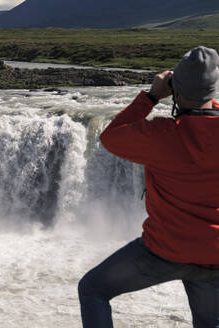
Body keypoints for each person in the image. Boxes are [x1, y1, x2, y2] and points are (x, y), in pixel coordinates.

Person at [78, 46, 219, 328]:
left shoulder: (160, 134)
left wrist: (152, 96)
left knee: (93, 289)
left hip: (164, 250)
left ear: (175, 89)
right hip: (215, 255)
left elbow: (111, 137)